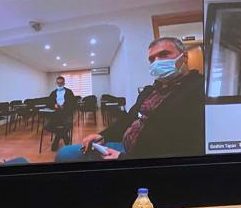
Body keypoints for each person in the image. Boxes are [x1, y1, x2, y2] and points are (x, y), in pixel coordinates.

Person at [56, 37, 204, 162]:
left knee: (66, 155)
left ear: (184, 57)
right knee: (64, 153)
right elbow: (128, 119)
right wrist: (103, 136)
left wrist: (124, 158)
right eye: (152, 59)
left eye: (164, 54)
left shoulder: (200, 90)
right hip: (124, 145)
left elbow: (193, 149)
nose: (157, 62)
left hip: (139, 157)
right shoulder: (149, 91)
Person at [44, 75, 76, 151]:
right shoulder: (53, 93)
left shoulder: (69, 92)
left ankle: (57, 139)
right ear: (56, 83)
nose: (59, 85)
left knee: (68, 124)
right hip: (55, 114)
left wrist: (64, 106)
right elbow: (48, 103)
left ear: (64, 83)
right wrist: (54, 105)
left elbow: (73, 103)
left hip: (66, 113)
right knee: (46, 125)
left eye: (61, 83)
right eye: (58, 83)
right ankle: (65, 136)